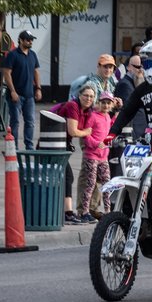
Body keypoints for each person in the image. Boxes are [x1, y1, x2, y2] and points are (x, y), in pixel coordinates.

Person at [56, 84, 100, 224]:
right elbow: (73, 131)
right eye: (85, 95)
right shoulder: (72, 106)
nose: (88, 98)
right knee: (68, 176)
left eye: (91, 96)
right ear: (79, 96)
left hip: (62, 145)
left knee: (66, 177)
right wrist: (87, 132)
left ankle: (67, 213)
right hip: (53, 144)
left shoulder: (87, 110)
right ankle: (67, 213)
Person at [79, 90, 117, 219]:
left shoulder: (107, 117)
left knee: (107, 184)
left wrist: (117, 115)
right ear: (99, 103)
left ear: (111, 105)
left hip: (103, 156)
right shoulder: (93, 116)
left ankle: (107, 211)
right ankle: (84, 211)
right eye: (104, 103)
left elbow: (111, 127)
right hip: (92, 156)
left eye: (108, 103)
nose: (106, 105)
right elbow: (86, 135)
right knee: (90, 184)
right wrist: (96, 144)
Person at [4, 30, 42, 150]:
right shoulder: (13, 54)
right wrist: (12, 91)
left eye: (31, 40)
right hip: (16, 94)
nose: (30, 42)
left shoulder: (33, 55)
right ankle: (13, 147)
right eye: (28, 39)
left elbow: (36, 71)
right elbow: (7, 73)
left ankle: (29, 146)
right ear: (20, 40)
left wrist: (38, 88)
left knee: (30, 121)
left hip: (29, 94)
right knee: (15, 122)